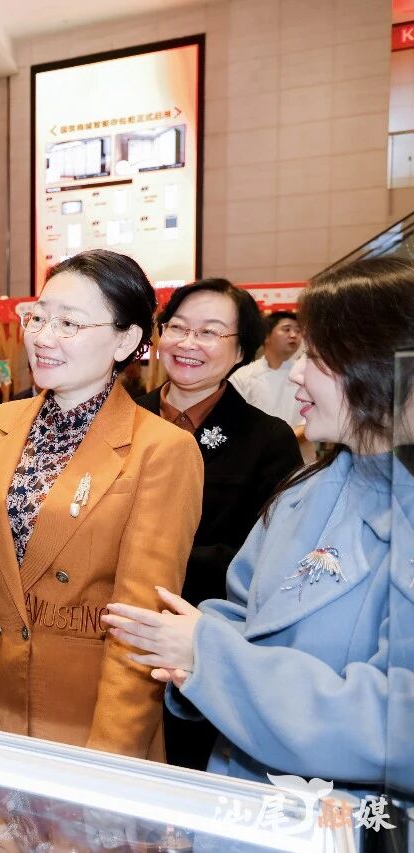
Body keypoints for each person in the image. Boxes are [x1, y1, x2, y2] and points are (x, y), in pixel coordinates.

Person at [105, 256, 414, 790]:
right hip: (244, 787)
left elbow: (397, 725)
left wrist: (208, 655)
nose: (295, 372)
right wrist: (189, 648)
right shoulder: (307, 490)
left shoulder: (272, 444)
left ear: (380, 364)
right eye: (178, 327)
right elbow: (243, 605)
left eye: (316, 356)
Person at [0, 249, 203, 762]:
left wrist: (110, 755)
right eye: (38, 318)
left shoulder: (162, 449)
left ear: (126, 340)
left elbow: (139, 622)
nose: (43, 337)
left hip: (86, 719)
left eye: (69, 323)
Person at [133, 278, 302, 770]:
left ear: (241, 351)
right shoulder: (119, 419)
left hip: (197, 655)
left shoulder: (267, 440)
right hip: (101, 638)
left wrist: (146, 562)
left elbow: (268, 562)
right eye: (177, 327)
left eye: (208, 332)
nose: (188, 343)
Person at [228, 310, 303, 429]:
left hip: (299, 439)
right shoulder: (243, 376)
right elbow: (231, 416)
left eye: (298, 331)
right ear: (266, 336)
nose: (294, 335)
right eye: (287, 329)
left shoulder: (306, 374)